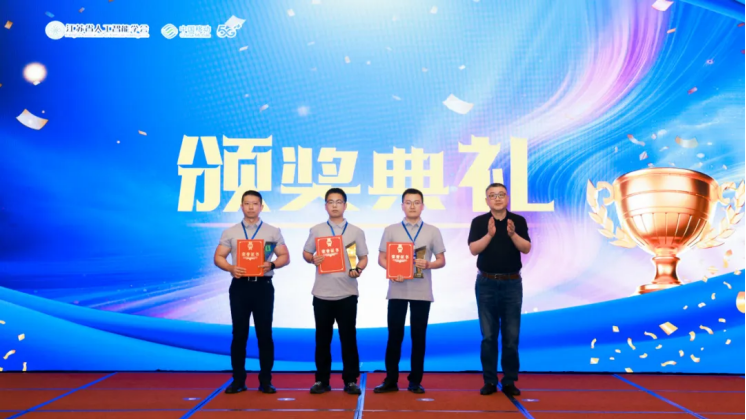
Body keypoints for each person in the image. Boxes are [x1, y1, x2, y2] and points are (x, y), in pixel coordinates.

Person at [214, 190, 290, 395]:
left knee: (264, 334)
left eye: (255, 203)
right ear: (241, 206)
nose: (250, 207)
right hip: (240, 286)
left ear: (261, 207)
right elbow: (218, 257)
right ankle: (238, 380)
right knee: (239, 334)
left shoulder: (272, 231)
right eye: (247, 203)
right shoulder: (230, 232)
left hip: (262, 286)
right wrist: (230, 268)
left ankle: (266, 381)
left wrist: (272, 264)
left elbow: (285, 256)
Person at [374, 189, 446, 395]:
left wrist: (429, 264)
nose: (412, 206)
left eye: (416, 202)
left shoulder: (432, 231)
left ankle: (415, 381)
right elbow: (381, 258)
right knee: (394, 337)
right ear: (402, 206)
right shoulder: (391, 230)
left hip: (421, 292)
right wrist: (391, 270)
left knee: (418, 337)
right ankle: (391, 380)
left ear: (422, 206)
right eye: (408, 202)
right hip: (397, 290)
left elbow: (441, 260)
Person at [303, 188, 369, 396]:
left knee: (348, 338)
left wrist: (358, 269)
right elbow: (306, 253)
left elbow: (363, 257)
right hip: (322, 294)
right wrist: (312, 259)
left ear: (345, 205)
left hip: (347, 293)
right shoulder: (317, 230)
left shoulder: (356, 231)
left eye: (338, 202)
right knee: (322, 340)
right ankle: (322, 380)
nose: (334, 205)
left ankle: (350, 380)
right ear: (325, 206)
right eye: (330, 202)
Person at [468, 183, 531, 397]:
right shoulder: (479, 222)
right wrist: (489, 235)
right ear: (486, 200)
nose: (497, 198)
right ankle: (490, 381)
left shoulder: (518, 221)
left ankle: (510, 380)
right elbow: (473, 249)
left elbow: (526, 248)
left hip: (512, 284)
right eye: (492, 195)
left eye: (501, 194)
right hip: (486, 283)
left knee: (511, 337)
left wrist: (513, 234)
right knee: (488, 336)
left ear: (507, 198)